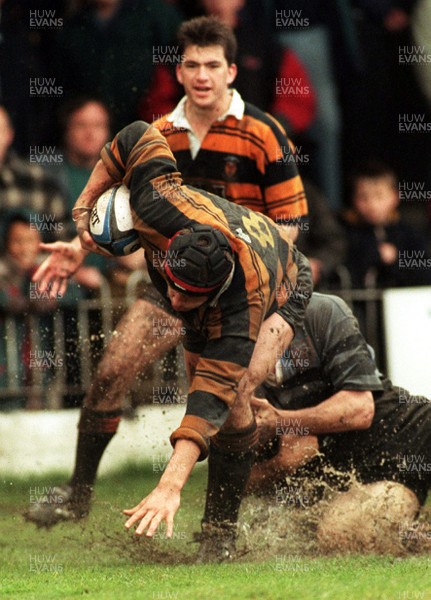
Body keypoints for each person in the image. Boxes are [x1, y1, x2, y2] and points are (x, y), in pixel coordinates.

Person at [24, 15, 309, 544]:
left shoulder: (266, 133)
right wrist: (81, 239)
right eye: (192, 65)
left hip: (248, 284)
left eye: (212, 65)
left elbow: (290, 227)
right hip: (174, 272)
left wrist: (252, 281)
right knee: (114, 367)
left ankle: (230, 516)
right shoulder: (161, 133)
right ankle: (78, 494)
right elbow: (129, 206)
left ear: (230, 72)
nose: (202, 75)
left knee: (231, 394)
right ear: (179, 72)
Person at [340, 160, 431, 289]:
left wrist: (396, 259)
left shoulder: (409, 234)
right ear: (353, 199)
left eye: (379, 196)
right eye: (363, 197)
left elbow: (424, 275)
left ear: (395, 197)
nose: (372, 204)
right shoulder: (344, 232)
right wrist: (375, 253)